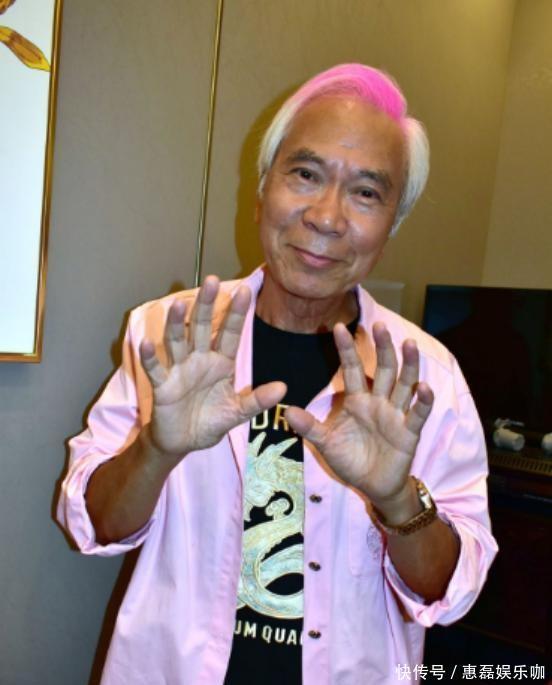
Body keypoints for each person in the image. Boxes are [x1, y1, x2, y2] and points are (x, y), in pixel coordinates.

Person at [57, 63, 498, 685]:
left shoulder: (427, 376)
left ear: (392, 223)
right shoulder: (167, 334)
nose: (327, 216)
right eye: (306, 174)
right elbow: (94, 524)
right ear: (264, 184)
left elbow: (451, 590)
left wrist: (397, 499)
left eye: (366, 193)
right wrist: (156, 450)